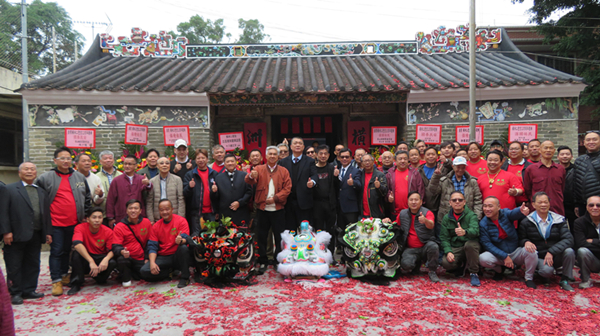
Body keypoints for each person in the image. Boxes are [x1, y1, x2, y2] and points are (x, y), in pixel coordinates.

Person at [36, 146, 91, 296]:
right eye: (62, 158)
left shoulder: (79, 177)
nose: (66, 161)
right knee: (56, 251)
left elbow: (87, 197)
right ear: (55, 160)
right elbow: (37, 197)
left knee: (68, 250)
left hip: (75, 222)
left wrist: (86, 214)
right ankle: (56, 280)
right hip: (55, 224)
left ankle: (64, 274)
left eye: (68, 158)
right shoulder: (46, 177)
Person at [0, 163, 52, 304]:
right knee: (14, 265)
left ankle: (29, 289)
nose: (30, 171)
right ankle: (15, 292)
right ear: (19, 172)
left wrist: (47, 232)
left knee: (33, 263)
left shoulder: (41, 191)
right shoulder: (9, 189)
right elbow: (3, 212)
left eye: (32, 169)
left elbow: (45, 214)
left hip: (35, 234)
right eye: (26, 169)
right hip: (15, 234)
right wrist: (6, 231)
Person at [245, 146, 292, 274]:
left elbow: (287, 188)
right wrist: (250, 175)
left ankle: (278, 260)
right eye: (270, 154)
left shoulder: (283, 171)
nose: (272, 156)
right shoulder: (258, 169)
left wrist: (276, 198)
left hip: (278, 209)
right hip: (262, 209)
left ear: (278, 157)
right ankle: (263, 261)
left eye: (274, 154)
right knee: (262, 236)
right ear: (266, 156)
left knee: (279, 237)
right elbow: (249, 180)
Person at [518, 192, 575, 291]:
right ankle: (539, 272)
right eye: (540, 202)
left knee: (569, 251)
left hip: (555, 254)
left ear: (549, 204)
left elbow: (568, 239)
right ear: (533, 205)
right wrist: (525, 242)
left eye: (546, 202)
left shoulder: (559, 220)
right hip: (539, 256)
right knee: (547, 271)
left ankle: (565, 279)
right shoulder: (527, 221)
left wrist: (552, 251)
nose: (543, 205)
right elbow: (520, 238)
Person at [478, 196, 537, 287]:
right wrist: (504, 256)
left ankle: (528, 278)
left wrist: (520, 210)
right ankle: (499, 270)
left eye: (490, 206)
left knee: (532, 252)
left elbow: (513, 213)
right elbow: (487, 244)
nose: (487, 209)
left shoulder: (505, 213)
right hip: (499, 254)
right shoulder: (483, 223)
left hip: (515, 251)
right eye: (485, 206)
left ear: (498, 207)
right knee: (482, 258)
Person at [140, 200, 193, 288]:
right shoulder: (156, 226)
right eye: (162, 210)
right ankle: (169, 273)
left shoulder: (181, 220)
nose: (164, 212)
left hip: (178, 255)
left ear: (172, 209)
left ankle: (185, 277)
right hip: (164, 256)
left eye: (167, 209)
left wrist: (180, 240)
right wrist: (152, 262)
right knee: (144, 271)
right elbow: (152, 246)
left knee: (183, 248)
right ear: (159, 211)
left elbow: (186, 239)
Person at [68, 207, 117, 295]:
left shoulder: (108, 231)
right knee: (76, 254)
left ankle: (100, 278)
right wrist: (91, 261)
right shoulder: (80, 228)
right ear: (88, 219)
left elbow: (113, 249)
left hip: (100, 258)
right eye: (94, 217)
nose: (97, 220)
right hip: (86, 257)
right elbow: (77, 244)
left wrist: (105, 260)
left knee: (112, 261)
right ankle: (76, 283)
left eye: (100, 217)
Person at [395, 192, 440, 283]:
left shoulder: (427, 212)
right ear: (407, 202)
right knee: (406, 265)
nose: (413, 202)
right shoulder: (402, 213)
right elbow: (396, 225)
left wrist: (425, 220)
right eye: (411, 200)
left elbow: (431, 225)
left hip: (425, 246)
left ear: (421, 202)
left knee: (433, 246)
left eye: (416, 200)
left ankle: (432, 271)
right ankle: (416, 265)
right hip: (410, 248)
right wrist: (387, 221)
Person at [439, 191, 481, 286]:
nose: (457, 202)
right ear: (450, 203)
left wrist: (465, 232)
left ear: (464, 202)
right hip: (456, 246)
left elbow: (476, 231)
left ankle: (474, 273)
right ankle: (461, 266)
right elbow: (444, 238)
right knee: (446, 263)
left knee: (470, 245)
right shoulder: (446, 218)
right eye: (454, 200)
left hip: (470, 245)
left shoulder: (471, 215)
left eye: (460, 200)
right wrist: (448, 251)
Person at [428, 156, 482, 225]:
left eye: (463, 167)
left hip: (467, 218)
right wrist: (436, 176)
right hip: (447, 218)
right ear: (453, 166)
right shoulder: (445, 181)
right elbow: (433, 192)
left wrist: (475, 218)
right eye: (458, 167)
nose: (460, 170)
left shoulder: (472, 182)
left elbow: (478, 201)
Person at [279, 137, 318, 229]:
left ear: (303, 147)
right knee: (289, 230)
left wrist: (312, 182)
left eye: (300, 143)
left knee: (305, 230)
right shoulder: (283, 162)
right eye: (295, 143)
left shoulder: (310, 161)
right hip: (288, 201)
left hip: (304, 202)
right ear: (291, 147)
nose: (297, 145)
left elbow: (314, 175)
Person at [112, 199, 152, 287]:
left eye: (136, 208)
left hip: (142, 258)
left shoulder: (146, 222)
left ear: (140, 210)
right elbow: (115, 246)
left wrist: (147, 257)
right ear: (126, 210)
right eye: (130, 208)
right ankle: (126, 279)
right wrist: (122, 251)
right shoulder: (119, 226)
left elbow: (150, 242)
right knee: (121, 259)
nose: (133, 210)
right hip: (128, 257)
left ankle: (133, 273)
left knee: (146, 274)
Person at [105, 155, 151, 228]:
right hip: (121, 215)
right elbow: (111, 200)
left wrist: (148, 184)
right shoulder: (116, 180)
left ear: (136, 166)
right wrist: (110, 217)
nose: (127, 166)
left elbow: (148, 189)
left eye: (129, 164)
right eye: (125, 164)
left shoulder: (141, 179)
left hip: (138, 216)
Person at [523, 140, 566, 215]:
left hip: (557, 208)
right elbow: (528, 190)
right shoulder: (531, 169)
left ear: (554, 151)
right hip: (537, 210)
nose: (548, 150)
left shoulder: (560, 169)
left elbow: (562, 188)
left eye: (551, 148)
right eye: (545, 148)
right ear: (540, 150)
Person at [183, 149, 218, 237]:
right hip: (196, 213)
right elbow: (185, 194)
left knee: (212, 237)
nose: (201, 160)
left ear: (207, 159)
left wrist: (215, 191)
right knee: (197, 237)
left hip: (211, 212)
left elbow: (219, 196)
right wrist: (189, 187)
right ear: (195, 160)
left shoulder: (214, 174)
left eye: (203, 158)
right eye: (198, 158)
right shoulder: (190, 175)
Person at [210, 154, 252, 226]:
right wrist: (214, 192)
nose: (230, 163)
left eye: (232, 161)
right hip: (225, 214)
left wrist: (240, 203)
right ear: (224, 163)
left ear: (236, 162)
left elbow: (249, 192)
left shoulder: (244, 176)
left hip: (241, 212)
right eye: (228, 161)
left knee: (242, 235)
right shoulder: (218, 178)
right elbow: (215, 198)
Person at [386, 150, 424, 218]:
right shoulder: (389, 173)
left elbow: (421, 190)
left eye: (405, 159)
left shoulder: (414, 173)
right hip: (394, 212)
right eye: (400, 159)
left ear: (408, 160)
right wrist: (388, 196)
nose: (403, 161)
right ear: (395, 160)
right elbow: (386, 189)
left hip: (412, 211)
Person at [146, 157, 185, 223]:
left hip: (173, 215)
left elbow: (181, 199)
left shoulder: (177, 179)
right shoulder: (152, 181)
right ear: (157, 166)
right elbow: (149, 201)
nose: (164, 165)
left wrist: (180, 218)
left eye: (167, 163)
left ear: (170, 166)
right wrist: (151, 219)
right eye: (161, 163)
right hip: (158, 216)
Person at [571, 131, 600, 218]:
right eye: (588, 140)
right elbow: (575, 184)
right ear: (584, 143)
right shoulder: (579, 160)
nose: (591, 142)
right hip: (584, 205)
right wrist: (576, 204)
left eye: (594, 139)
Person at [574, 196, 600, 289]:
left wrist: (594, 241)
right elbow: (581, 243)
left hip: (593, 249)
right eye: (591, 205)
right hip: (592, 259)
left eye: (598, 205)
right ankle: (586, 280)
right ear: (587, 207)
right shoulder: (579, 222)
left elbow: (586, 242)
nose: (595, 208)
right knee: (582, 251)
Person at [312, 145, 337, 238]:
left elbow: (337, 186)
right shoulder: (312, 169)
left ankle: (330, 251)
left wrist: (336, 177)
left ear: (329, 155)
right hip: (316, 204)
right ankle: (319, 251)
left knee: (331, 230)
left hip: (330, 204)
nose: (323, 156)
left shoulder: (332, 168)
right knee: (318, 229)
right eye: (320, 153)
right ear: (316, 155)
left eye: (325, 154)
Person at [336, 148, 362, 230]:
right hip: (338, 207)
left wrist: (353, 183)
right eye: (342, 157)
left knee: (352, 231)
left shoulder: (356, 171)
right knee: (340, 231)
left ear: (351, 158)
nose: (344, 159)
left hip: (351, 207)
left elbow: (359, 185)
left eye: (347, 157)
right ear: (339, 158)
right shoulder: (337, 170)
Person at [358, 154, 388, 219]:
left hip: (377, 213)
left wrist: (379, 186)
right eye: (365, 161)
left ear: (373, 161)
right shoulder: (359, 175)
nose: (367, 163)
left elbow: (385, 192)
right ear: (362, 163)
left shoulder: (380, 175)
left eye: (369, 160)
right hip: (363, 213)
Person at [558, 146, 576, 231]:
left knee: (574, 227)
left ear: (571, 156)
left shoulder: (577, 169)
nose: (565, 156)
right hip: (558, 204)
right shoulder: (554, 169)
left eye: (567, 154)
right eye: (562, 154)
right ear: (558, 157)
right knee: (559, 229)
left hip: (573, 205)